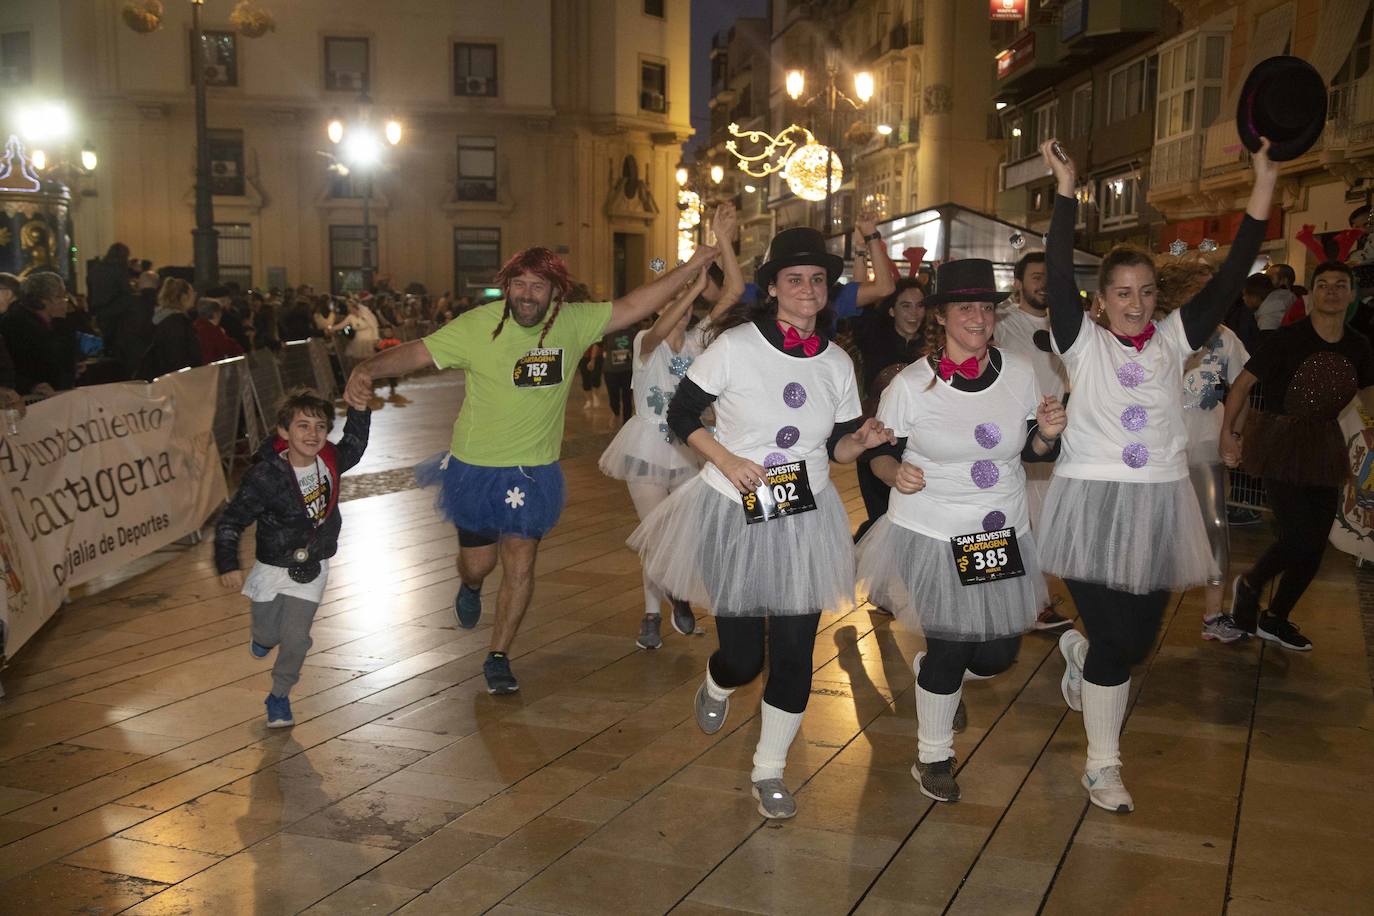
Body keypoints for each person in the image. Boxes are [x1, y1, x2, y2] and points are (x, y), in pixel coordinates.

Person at [342, 243, 721, 694]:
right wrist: (367, 368)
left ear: (555, 292)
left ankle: (498, 654)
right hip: (476, 470)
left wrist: (695, 263)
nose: (526, 294)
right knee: (479, 564)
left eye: (537, 286)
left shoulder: (573, 323)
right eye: (518, 285)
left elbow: (638, 302)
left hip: (533, 472)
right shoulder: (478, 326)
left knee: (520, 563)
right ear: (507, 287)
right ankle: (469, 585)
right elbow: (419, 353)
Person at [1039, 136, 1276, 814]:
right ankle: (1103, 765)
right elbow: (1057, 272)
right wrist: (1065, 188)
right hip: (1088, 504)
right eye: (1122, 293)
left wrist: (1263, 181)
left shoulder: (1176, 338)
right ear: (1103, 300)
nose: (1136, 304)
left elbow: (1232, 274)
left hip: (1159, 504)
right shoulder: (1081, 344)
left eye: (1145, 292)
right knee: (1120, 639)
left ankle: (1083, 659)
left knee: (1135, 644)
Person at [628, 226, 893, 819]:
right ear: (772, 288)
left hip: (806, 511)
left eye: (817, 280)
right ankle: (719, 682)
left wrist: (864, 442)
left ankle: (769, 770)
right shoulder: (737, 345)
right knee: (745, 656)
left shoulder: (837, 362)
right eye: (794, 279)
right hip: (734, 508)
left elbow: (839, 448)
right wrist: (726, 458)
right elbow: (681, 413)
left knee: (797, 650)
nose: (807, 290)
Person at [856, 257, 1066, 803]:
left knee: (997, 655)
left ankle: (934, 675)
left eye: (986, 308)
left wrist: (1045, 434)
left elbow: (1038, 452)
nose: (978, 317)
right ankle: (933, 757)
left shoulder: (1019, 373)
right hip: (931, 530)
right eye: (965, 307)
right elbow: (878, 453)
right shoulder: (911, 384)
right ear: (942, 316)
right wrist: (892, 471)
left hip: (997, 531)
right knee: (952, 644)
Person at [1222, 260, 1374, 651]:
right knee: (1298, 535)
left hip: (1324, 445)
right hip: (1279, 443)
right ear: (1312, 294)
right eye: (1323, 284)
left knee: (1316, 540)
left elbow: (1370, 397)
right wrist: (1229, 434)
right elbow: (1240, 387)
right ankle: (1252, 583)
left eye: (1341, 285)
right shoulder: (1287, 339)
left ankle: (1276, 618)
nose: (1332, 292)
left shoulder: (1359, 345)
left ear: (1352, 294)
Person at [215, 390, 371, 728]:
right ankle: (262, 638)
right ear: (283, 432)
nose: (313, 434)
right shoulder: (266, 476)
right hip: (272, 566)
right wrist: (228, 562)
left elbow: (355, 444)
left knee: (297, 637)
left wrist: (359, 407)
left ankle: (280, 696)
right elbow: (232, 520)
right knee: (270, 634)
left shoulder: (330, 460)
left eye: (320, 426)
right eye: (302, 426)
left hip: (312, 566)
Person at [1157, 261, 1251, 643]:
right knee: (1154, 526)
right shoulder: (1159, 333)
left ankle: (1214, 613)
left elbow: (1243, 386)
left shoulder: (1225, 337)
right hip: (1160, 444)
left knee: (1214, 523)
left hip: (1206, 441)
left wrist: (1234, 434)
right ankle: (1136, 606)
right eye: (1198, 289)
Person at [994, 251, 1075, 632]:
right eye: (1037, 277)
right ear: (1019, 282)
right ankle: (1031, 605)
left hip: (1055, 438)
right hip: (1014, 438)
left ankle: (1032, 601)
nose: (1043, 285)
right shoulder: (1002, 323)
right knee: (1018, 523)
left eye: (1049, 278)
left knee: (1046, 524)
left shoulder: (1069, 325)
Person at [850, 278, 928, 543]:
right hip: (875, 443)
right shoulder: (874, 340)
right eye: (905, 306)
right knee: (880, 517)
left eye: (919, 306)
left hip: (917, 446)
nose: (914, 313)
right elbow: (858, 297)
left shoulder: (935, 350)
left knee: (910, 523)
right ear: (892, 310)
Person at [2, 271, 76, 395]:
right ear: (44, 300)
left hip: (56, 395)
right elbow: (12, 367)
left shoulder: (54, 323)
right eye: (60, 296)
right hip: (32, 400)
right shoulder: (14, 325)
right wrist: (30, 385)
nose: (65, 301)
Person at [141, 278, 203, 379]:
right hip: (175, 381)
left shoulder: (159, 317)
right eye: (192, 293)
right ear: (184, 297)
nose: (195, 297)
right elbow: (176, 357)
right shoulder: (176, 323)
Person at [194, 297, 246, 362]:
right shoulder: (213, 331)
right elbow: (230, 348)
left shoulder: (195, 327)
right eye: (220, 311)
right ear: (216, 314)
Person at [602, 324, 636, 421]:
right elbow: (599, 345)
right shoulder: (609, 331)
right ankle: (615, 412)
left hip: (627, 370)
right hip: (611, 371)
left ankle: (626, 421)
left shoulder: (633, 333)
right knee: (613, 396)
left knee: (627, 397)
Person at [576, 341, 603, 409]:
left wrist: (592, 359)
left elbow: (597, 344)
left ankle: (595, 396)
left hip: (596, 356)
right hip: (583, 356)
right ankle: (588, 400)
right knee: (585, 379)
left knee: (596, 377)